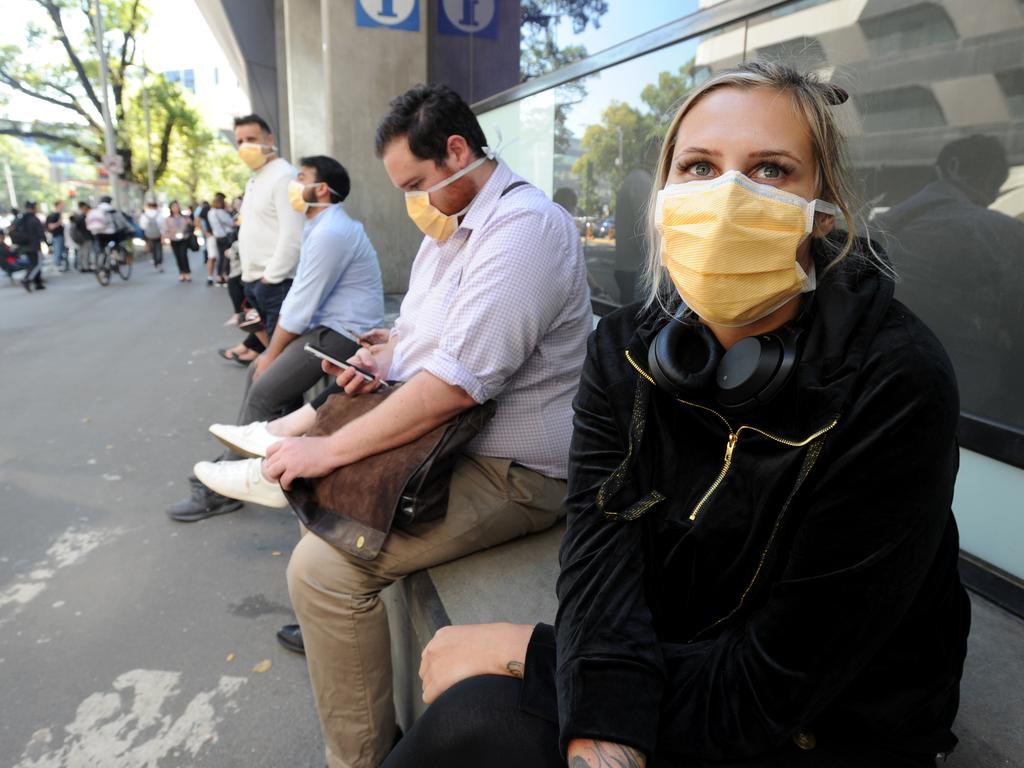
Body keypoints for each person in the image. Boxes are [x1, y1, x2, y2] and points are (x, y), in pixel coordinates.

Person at [383, 63, 970, 768]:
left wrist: (529, 653)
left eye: (772, 170)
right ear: (663, 196)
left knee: (478, 710)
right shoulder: (626, 349)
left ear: (823, 207)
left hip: (825, 720)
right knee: (462, 726)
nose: (727, 197)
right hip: (677, 651)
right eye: (698, 166)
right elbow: (600, 554)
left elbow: (773, 690)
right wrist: (598, 694)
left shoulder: (898, 379)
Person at [180, 84, 592, 767]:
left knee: (322, 572)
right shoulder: (451, 230)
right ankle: (283, 447)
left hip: (514, 473)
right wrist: (385, 354)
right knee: (327, 479)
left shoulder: (524, 232)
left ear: (458, 151)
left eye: (419, 182)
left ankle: (360, 759)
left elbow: (455, 385)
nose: (416, 200)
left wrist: (330, 449)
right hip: (453, 443)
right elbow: (424, 340)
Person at [166, 155, 385, 523]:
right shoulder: (319, 226)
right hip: (328, 328)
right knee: (262, 379)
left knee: (264, 388)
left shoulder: (332, 230)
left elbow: (301, 304)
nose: (292, 185)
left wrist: (272, 351)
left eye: (301, 178)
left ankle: (222, 488)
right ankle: (262, 463)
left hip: (343, 335)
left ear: (322, 190)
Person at [875, 135, 1024, 430]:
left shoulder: (876, 231)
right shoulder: (1001, 232)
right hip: (974, 409)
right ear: (954, 166)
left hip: (884, 393)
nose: (994, 192)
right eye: (994, 177)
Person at [232, 113, 304, 342]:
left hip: (276, 283)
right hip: (255, 281)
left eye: (251, 139)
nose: (244, 147)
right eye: (240, 141)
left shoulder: (284, 177)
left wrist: (270, 278)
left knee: (280, 366)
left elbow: (293, 235)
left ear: (269, 140)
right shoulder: (255, 179)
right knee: (272, 357)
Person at [10, 200, 46, 291]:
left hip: (23, 246)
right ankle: (27, 279)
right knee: (37, 264)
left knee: (34, 263)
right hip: (34, 245)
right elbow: (41, 233)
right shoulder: (34, 219)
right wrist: (46, 242)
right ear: (34, 208)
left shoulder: (19, 219)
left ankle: (37, 283)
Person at [207, 193, 235, 285]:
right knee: (226, 256)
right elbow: (231, 223)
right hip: (225, 236)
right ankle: (225, 275)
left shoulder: (210, 212)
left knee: (221, 257)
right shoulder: (221, 213)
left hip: (217, 236)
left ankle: (220, 275)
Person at [162, 201, 193, 281]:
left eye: (176, 206)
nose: (175, 208)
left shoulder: (185, 217)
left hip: (184, 238)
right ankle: (181, 272)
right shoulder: (168, 219)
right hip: (173, 239)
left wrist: (189, 224)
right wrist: (166, 236)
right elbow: (165, 229)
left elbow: (191, 225)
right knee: (178, 257)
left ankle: (187, 272)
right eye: (173, 207)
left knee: (183, 255)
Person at [139, 201, 165, 272]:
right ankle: (159, 262)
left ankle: (155, 262)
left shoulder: (144, 215)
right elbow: (162, 226)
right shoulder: (159, 214)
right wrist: (163, 235)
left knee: (152, 249)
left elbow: (142, 226)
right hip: (158, 234)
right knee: (158, 248)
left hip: (148, 235)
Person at [44, 200, 66, 271]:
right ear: (57, 206)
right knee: (58, 251)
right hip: (57, 236)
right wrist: (59, 223)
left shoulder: (58, 214)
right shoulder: (54, 215)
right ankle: (57, 265)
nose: (63, 207)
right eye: (61, 205)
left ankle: (61, 265)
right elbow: (51, 226)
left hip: (60, 236)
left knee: (61, 251)